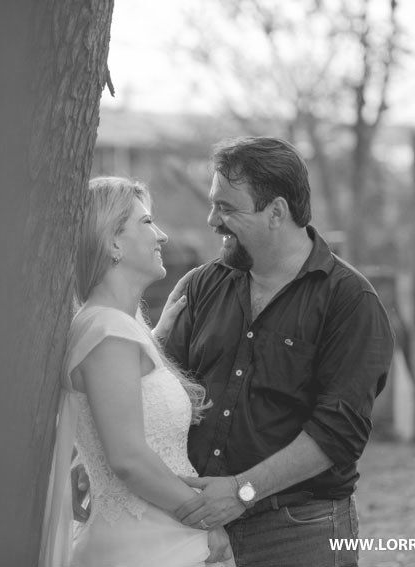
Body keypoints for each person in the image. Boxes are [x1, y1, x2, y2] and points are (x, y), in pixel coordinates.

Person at [160, 136, 395, 566]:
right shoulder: (200, 287)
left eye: (228, 208)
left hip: (299, 533)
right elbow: (165, 400)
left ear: (277, 213)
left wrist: (241, 492)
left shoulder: (350, 302)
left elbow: (337, 434)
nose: (213, 220)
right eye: (214, 204)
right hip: (198, 529)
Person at [39, 177, 235, 567]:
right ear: (112, 242)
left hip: (162, 543)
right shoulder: (107, 332)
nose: (161, 236)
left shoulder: (113, 329)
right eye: (146, 223)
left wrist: (153, 337)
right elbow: (128, 457)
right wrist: (205, 517)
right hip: (146, 550)